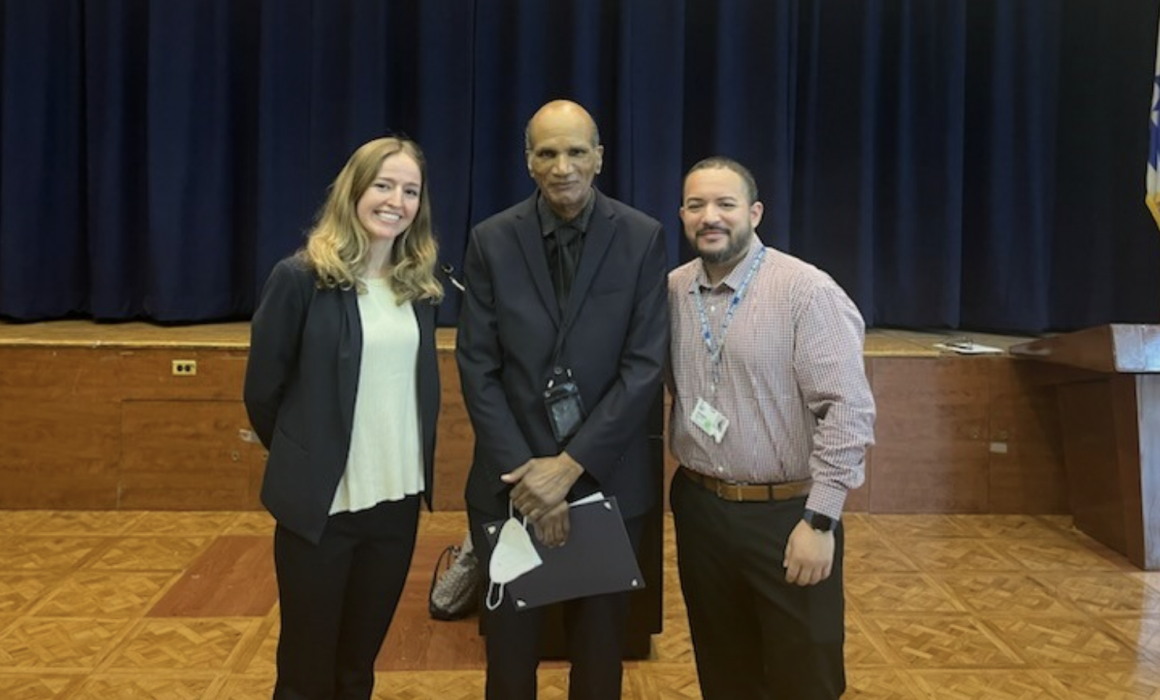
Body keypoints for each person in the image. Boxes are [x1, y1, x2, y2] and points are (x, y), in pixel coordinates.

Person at [456, 99, 668, 700]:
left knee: (600, 663)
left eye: (576, 151)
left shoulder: (642, 238)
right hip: (509, 486)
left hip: (608, 486)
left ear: (599, 158)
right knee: (509, 664)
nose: (562, 166)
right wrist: (533, 479)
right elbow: (478, 365)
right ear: (528, 162)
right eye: (547, 153)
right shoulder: (491, 240)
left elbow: (644, 366)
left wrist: (568, 471)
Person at [667, 156, 876, 700]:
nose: (710, 216)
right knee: (724, 668)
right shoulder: (670, 291)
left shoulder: (805, 291)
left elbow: (848, 410)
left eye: (725, 204)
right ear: (683, 216)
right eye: (696, 205)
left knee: (804, 675)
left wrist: (821, 520)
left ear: (754, 213)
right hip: (700, 508)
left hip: (787, 516)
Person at [243, 136, 443, 700]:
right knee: (306, 672)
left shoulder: (418, 289)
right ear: (354, 190)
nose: (395, 201)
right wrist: (307, 455)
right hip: (323, 510)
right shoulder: (300, 278)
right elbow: (263, 392)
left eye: (409, 191)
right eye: (383, 185)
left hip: (395, 506)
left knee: (357, 667)